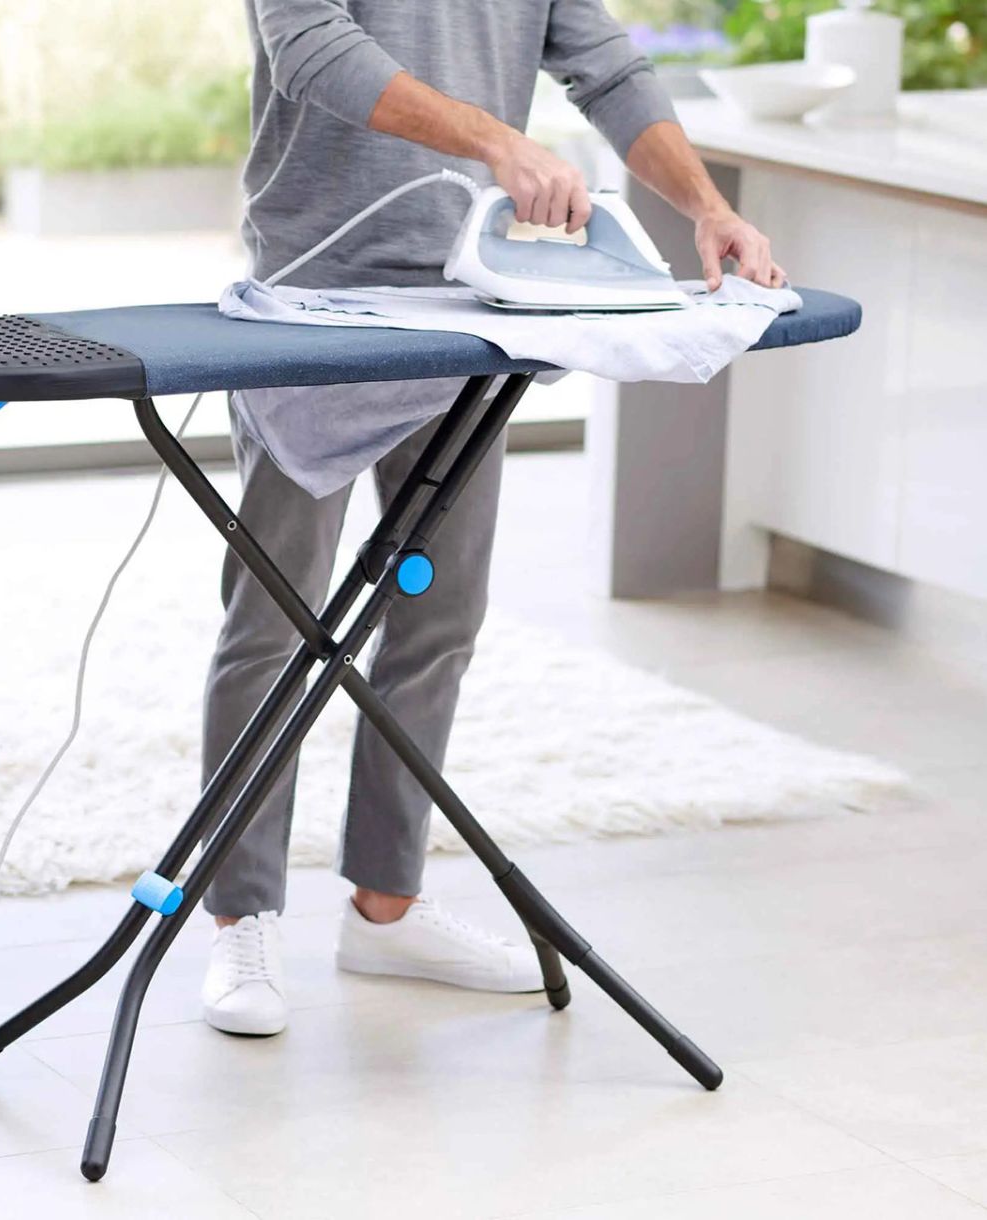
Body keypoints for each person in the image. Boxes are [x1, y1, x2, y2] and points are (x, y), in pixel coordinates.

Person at [200, 0, 783, 1036]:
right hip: (314, 297)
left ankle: (386, 906)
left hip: (469, 303)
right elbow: (310, 49)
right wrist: (496, 142)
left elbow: (607, 69)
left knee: (439, 619)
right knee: (275, 627)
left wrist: (704, 207)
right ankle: (241, 914)